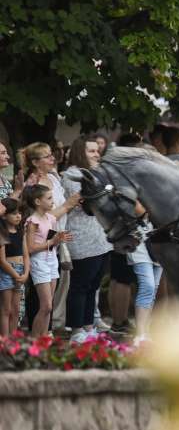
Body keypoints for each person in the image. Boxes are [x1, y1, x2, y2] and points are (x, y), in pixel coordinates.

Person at [62, 137, 113, 343]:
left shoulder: (95, 174)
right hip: (82, 239)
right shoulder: (73, 175)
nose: (97, 154)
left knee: (93, 286)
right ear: (80, 153)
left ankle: (88, 326)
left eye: (97, 151)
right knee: (80, 286)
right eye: (91, 151)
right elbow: (90, 207)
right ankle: (76, 330)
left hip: (101, 239)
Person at [22, 184, 74, 337]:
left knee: (49, 307)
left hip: (51, 260)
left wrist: (58, 239)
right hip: (39, 262)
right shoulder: (33, 221)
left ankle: (44, 340)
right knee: (46, 306)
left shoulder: (50, 218)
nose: (53, 201)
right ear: (38, 201)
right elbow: (30, 248)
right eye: (49, 198)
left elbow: (50, 241)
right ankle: (35, 340)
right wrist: (52, 242)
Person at [0, 198, 28, 336]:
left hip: (20, 272)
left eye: (19, 213)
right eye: (14, 213)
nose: (18, 216)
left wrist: (25, 273)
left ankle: (13, 340)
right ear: (4, 215)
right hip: (7, 272)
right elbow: (2, 260)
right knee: (6, 310)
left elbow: (26, 255)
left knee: (16, 309)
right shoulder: (2, 233)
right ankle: (5, 342)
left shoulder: (20, 231)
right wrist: (16, 275)